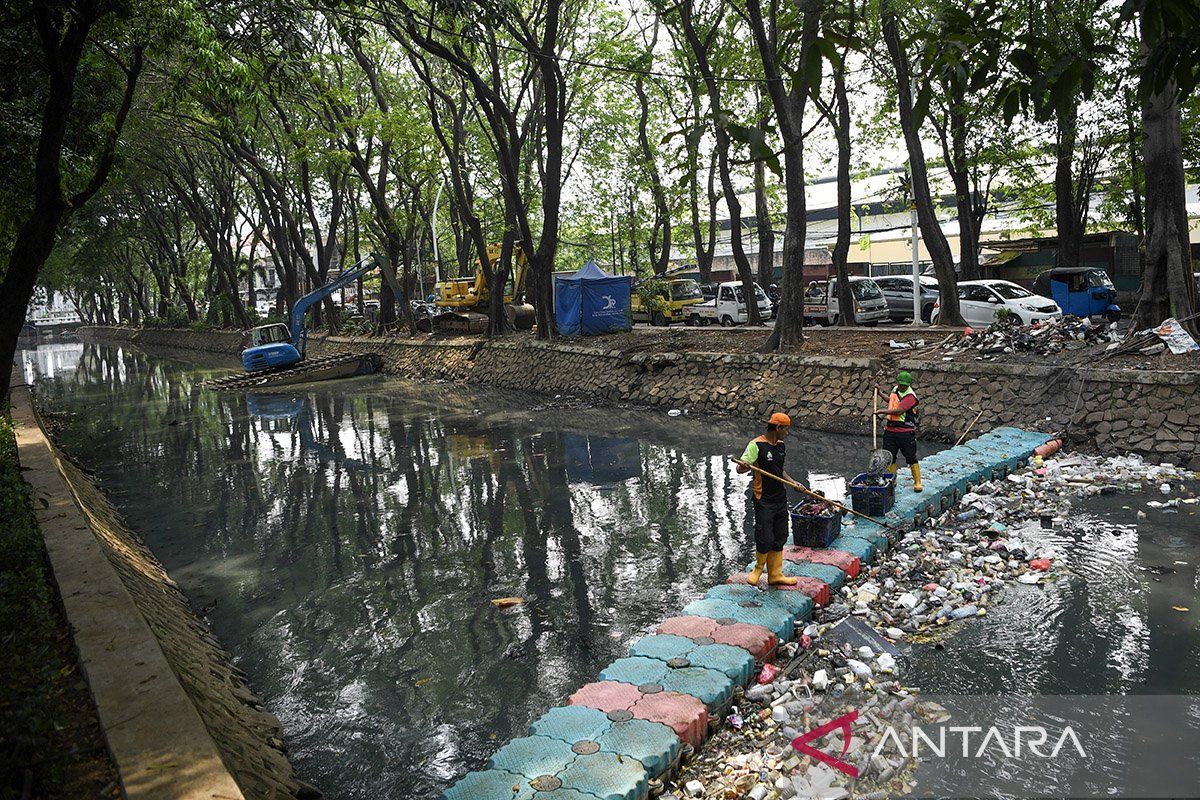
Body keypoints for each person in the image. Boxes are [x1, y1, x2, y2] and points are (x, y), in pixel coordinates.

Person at [736, 412, 799, 586]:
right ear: (778, 428)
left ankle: (775, 574)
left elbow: (780, 471)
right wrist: (744, 466)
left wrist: (793, 483)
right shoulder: (756, 445)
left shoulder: (780, 446)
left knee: (780, 535)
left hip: (780, 497)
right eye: (786, 430)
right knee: (765, 536)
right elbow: (739, 469)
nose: (787, 433)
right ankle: (757, 569)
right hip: (763, 498)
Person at [874, 371, 923, 492]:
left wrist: (881, 412)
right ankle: (893, 480)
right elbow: (891, 402)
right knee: (890, 457)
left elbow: (898, 411)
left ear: (909, 385)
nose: (902, 387)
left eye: (905, 385)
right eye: (901, 384)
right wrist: (879, 393)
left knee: (911, 457)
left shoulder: (911, 397)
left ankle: (917, 482)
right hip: (890, 431)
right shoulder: (896, 390)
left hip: (905, 432)